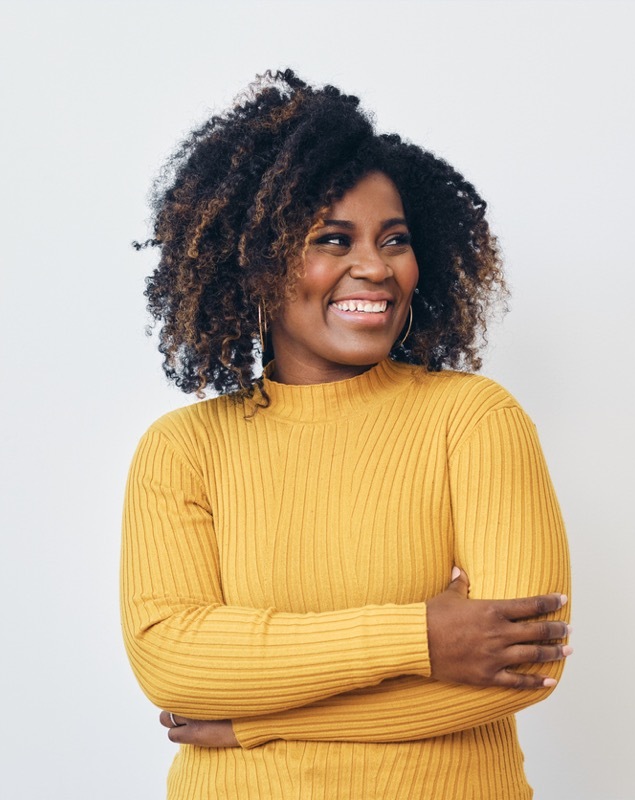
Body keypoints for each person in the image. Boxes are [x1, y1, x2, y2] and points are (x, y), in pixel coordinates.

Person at [122, 69, 572, 800]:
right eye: (334, 240)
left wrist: (251, 721)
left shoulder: (474, 419)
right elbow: (173, 664)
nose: (375, 267)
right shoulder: (184, 449)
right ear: (256, 259)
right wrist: (424, 638)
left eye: (394, 241)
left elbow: (523, 665)